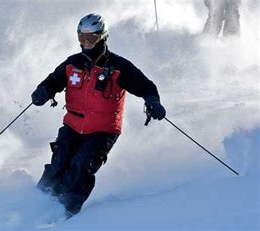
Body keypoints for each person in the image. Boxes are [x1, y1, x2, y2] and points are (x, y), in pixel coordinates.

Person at [31, 13, 166, 218]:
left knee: (81, 166)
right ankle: (35, 204)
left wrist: (153, 101)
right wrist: (43, 91)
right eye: (81, 38)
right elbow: (52, 81)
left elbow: (145, 86)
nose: (85, 43)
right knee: (59, 163)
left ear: (102, 37)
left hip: (103, 130)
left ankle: (64, 212)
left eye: (90, 38)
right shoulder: (72, 64)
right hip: (73, 124)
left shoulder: (119, 67)